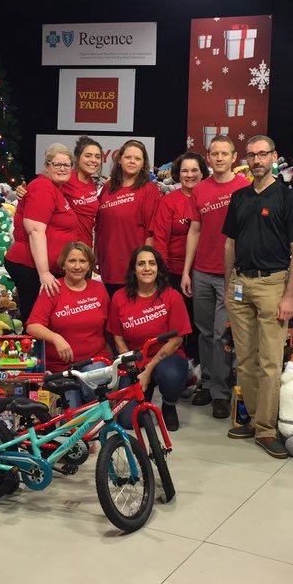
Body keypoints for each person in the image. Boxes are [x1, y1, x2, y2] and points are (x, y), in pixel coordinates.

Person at [223, 135, 293, 459]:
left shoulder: (287, 199)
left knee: (271, 361)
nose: (257, 160)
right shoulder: (239, 197)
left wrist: (289, 296)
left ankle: (267, 430)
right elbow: (230, 243)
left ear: (274, 157)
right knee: (245, 359)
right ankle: (256, 421)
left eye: (263, 154)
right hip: (241, 283)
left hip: (273, 286)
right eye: (252, 155)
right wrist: (230, 284)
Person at [179, 136, 248, 419]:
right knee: (205, 332)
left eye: (224, 153)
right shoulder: (201, 189)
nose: (219, 158)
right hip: (202, 273)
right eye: (214, 154)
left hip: (231, 275)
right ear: (208, 158)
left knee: (222, 334)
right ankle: (206, 383)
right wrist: (187, 270)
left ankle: (221, 393)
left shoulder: (244, 187)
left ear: (234, 157)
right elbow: (194, 230)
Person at [108, 246, 191, 431]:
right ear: (133, 270)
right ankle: (144, 397)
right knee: (128, 422)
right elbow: (118, 337)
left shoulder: (172, 296)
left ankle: (169, 405)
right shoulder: (119, 297)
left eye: (152, 263)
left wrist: (147, 370)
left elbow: (176, 340)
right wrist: (132, 368)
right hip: (135, 360)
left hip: (166, 358)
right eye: (141, 264)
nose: (147, 268)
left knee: (171, 375)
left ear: (158, 268)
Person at [25, 241, 110, 408]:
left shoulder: (99, 289)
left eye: (82, 261)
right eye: (72, 261)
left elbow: (109, 328)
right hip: (60, 367)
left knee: (95, 393)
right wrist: (56, 338)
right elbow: (32, 326)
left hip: (93, 360)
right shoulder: (53, 288)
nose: (77, 266)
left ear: (89, 266)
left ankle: (90, 396)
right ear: (63, 264)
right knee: (70, 420)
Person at [4, 144, 81, 321]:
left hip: (39, 269)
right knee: (35, 322)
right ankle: (33, 350)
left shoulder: (55, 189)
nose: (62, 169)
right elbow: (35, 231)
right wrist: (44, 273)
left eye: (66, 165)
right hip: (31, 268)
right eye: (57, 164)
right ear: (46, 166)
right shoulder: (42, 188)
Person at [148, 152, 209, 366]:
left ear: (203, 173)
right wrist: (162, 276)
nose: (189, 175)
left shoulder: (209, 197)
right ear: (177, 174)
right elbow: (160, 240)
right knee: (179, 324)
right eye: (185, 171)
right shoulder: (169, 201)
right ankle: (182, 368)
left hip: (206, 271)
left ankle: (202, 368)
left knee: (202, 324)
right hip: (174, 272)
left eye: (194, 170)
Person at [96, 140, 161, 297]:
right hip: (107, 263)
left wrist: (146, 266)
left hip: (132, 266)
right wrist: (96, 255)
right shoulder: (108, 187)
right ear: (119, 159)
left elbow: (150, 232)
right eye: (128, 157)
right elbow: (100, 225)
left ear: (144, 163)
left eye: (137, 158)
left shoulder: (149, 190)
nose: (132, 161)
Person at [62, 136, 104, 249]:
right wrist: (24, 192)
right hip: (69, 247)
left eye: (97, 157)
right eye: (88, 156)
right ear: (76, 158)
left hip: (86, 246)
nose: (94, 160)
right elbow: (43, 186)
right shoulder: (66, 178)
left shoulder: (91, 184)